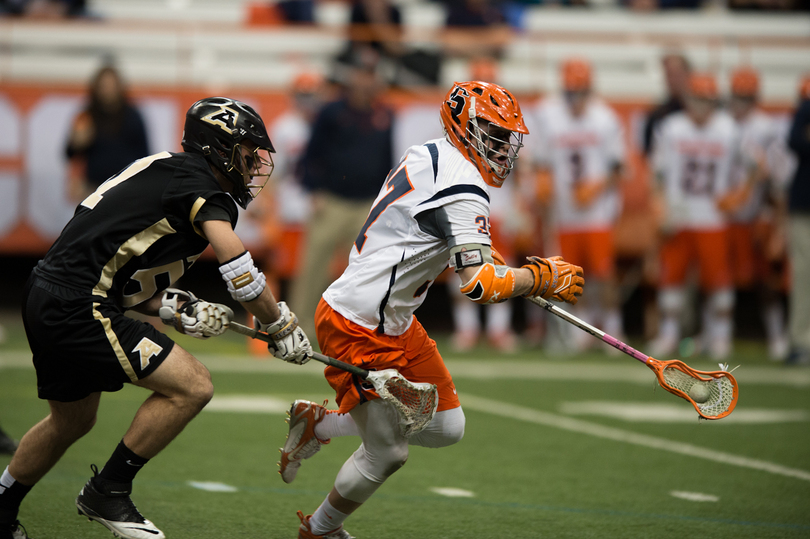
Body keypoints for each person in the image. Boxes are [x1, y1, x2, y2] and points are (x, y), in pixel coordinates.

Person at [278, 81, 584, 539]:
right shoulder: (463, 183)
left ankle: (320, 424)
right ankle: (319, 530)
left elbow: (427, 229)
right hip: (359, 321)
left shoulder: (429, 152)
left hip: (392, 318)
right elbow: (479, 285)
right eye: (495, 135)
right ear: (466, 127)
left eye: (507, 138)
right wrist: (538, 277)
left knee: (447, 426)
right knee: (389, 453)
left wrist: (482, 252)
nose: (504, 149)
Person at [0, 97, 313, 539]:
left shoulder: (169, 170)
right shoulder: (200, 183)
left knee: (71, 421)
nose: (253, 164)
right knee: (193, 386)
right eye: (246, 152)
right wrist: (277, 323)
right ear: (218, 148)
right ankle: (108, 490)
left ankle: (1, 508)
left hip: (54, 294)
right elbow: (238, 268)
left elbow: (122, 269)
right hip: (78, 304)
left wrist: (173, 306)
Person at [291, 52, 394, 339]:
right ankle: (301, 328)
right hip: (332, 199)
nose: (366, 80)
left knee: (365, 271)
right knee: (314, 266)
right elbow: (311, 155)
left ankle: (356, 329)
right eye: (362, 73)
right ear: (352, 76)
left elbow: (387, 161)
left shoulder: (385, 114)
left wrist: (383, 202)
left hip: (366, 203)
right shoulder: (332, 111)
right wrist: (314, 190)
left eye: (372, 74)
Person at [527, 58, 627, 353]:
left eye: (580, 92)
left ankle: (612, 326)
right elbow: (540, 159)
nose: (576, 99)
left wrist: (596, 187)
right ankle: (576, 330)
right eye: (571, 92)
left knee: (603, 273)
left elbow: (618, 167)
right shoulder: (547, 114)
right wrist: (543, 183)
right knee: (567, 275)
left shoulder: (605, 118)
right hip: (562, 211)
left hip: (597, 212)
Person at [649, 73, 740, 360]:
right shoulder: (672, 128)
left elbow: (755, 167)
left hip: (713, 217)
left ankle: (720, 336)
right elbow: (658, 174)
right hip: (680, 215)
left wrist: (739, 195)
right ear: (688, 100)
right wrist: (660, 208)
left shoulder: (729, 130)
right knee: (671, 280)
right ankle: (669, 334)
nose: (701, 106)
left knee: (718, 282)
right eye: (697, 99)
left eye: (706, 100)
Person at [725, 67, 790, 361]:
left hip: (755, 212)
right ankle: (718, 335)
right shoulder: (723, 124)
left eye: (745, 97)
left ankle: (776, 334)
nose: (740, 102)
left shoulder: (767, 127)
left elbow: (774, 173)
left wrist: (774, 215)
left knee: (764, 279)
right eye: (737, 96)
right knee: (718, 278)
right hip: (726, 212)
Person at [65, 64, 150, 203]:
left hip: (126, 189)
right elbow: (70, 153)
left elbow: (145, 156)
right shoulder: (87, 117)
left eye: (111, 85)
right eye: (103, 85)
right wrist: (77, 143)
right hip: (93, 190)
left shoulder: (133, 116)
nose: (107, 90)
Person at [785, 76, 810, 365]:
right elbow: (796, 141)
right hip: (804, 204)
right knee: (803, 276)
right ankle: (801, 341)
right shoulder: (805, 107)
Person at [643, 53, 691, 157]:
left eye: (677, 74)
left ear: (689, 74)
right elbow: (650, 153)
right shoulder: (657, 116)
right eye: (669, 75)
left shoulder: (709, 114)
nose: (673, 80)